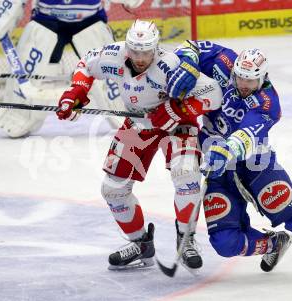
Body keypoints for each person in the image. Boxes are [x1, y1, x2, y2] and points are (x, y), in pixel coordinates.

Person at [166, 41, 292, 275]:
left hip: (256, 163)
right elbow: (190, 46)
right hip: (218, 166)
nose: (244, 84)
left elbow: (244, 137)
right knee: (225, 243)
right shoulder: (224, 61)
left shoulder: (268, 104)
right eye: (240, 77)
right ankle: (274, 243)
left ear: (263, 77)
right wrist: (187, 63)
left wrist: (224, 150)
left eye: (251, 80)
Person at [56, 20, 223, 271]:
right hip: (137, 123)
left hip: (176, 125)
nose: (140, 57)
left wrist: (177, 109)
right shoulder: (113, 54)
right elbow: (86, 64)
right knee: (113, 189)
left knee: (186, 173)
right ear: (128, 47)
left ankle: (186, 240)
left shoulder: (171, 64)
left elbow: (213, 92)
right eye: (135, 51)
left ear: (155, 47)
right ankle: (140, 244)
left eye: (145, 52)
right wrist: (76, 92)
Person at [0, 0, 143, 137]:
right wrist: (1, 9)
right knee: (35, 49)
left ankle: (128, 111)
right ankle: (20, 113)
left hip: (90, 20)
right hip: (47, 20)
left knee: (110, 69)